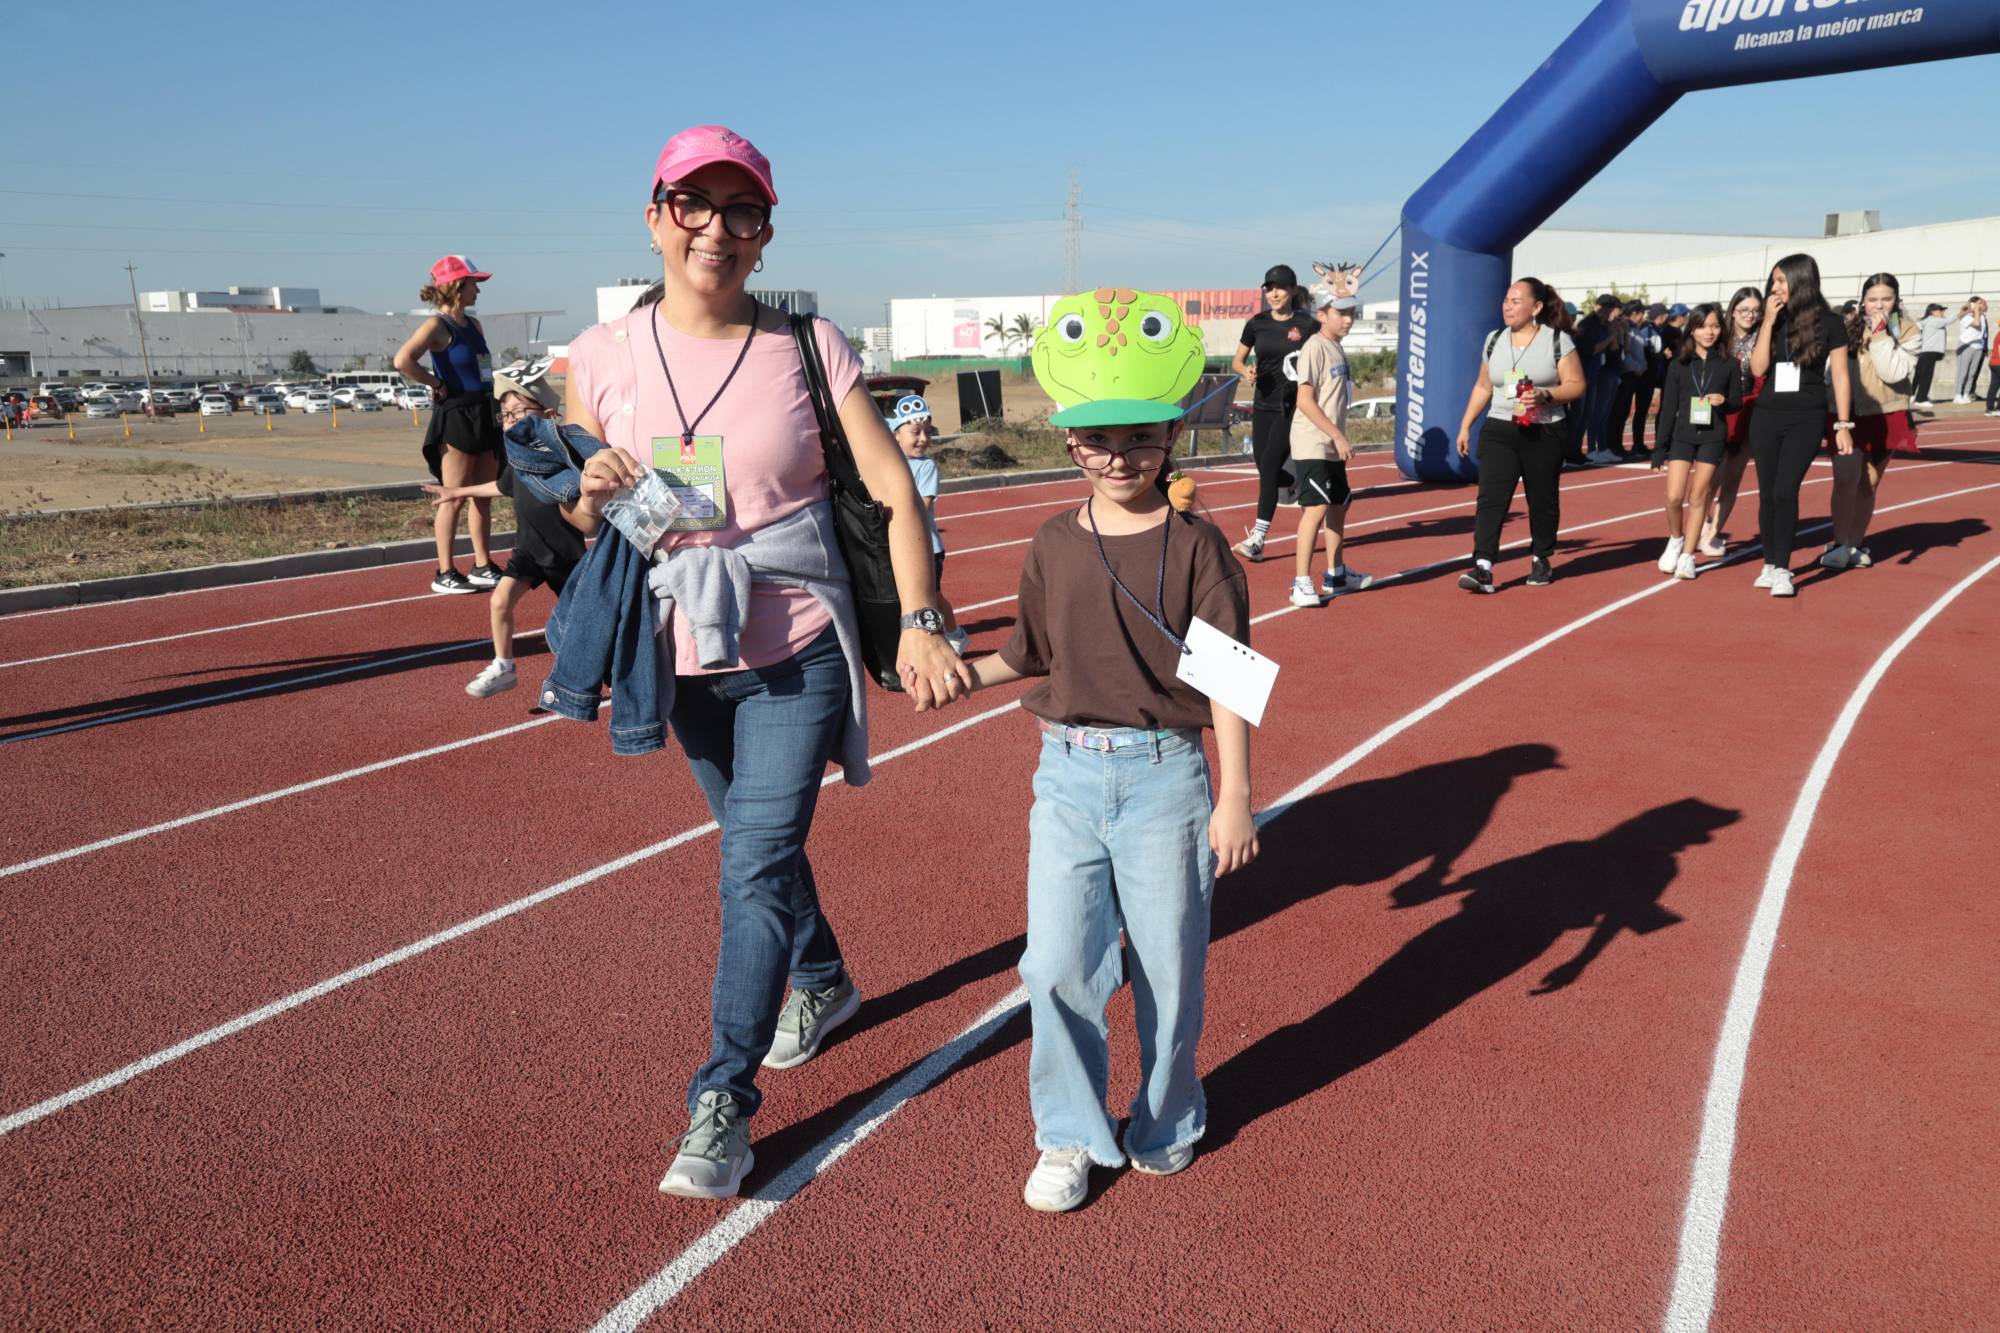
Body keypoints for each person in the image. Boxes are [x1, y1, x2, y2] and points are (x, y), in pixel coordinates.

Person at [564, 125, 970, 1201]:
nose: (716, 230)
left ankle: (721, 1104)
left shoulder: (806, 344)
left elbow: (890, 488)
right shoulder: (596, 359)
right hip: (679, 651)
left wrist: (924, 616)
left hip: (794, 643)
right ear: (653, 215)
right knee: (762, 851)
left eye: (742, 212)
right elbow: (570, 510)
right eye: (694, 204)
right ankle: (825, 978)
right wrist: (589, 493)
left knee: (748, 864)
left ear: (765, 232)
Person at [961, 290, 1257, 1211]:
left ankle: (1166, 1118)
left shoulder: (1202, 548)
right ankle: (1069, 1134)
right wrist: (953, 672)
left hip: (1167, 777)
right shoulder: (1053, 541)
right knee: (1055, 965)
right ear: (1069, 444)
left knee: (1169, 969)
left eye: (1138, 437)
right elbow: (1028, 652)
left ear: (1169, 437)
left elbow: (1231, 686)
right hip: (1068, 773)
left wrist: (1236, 796)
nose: (1118, 456)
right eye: (1098, 440)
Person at [421, 373, 590, 697]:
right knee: (500, 601)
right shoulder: (520, 459)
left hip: (567, 557)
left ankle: (608, 672)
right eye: (506, 415)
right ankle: (503, 666)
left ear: (549, 415)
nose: (510, 420)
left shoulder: (564, 455)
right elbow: (501, 487)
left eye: (518, 412)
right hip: (529, 551)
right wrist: (457, 490)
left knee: (579, 626)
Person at [1454, 278, 1585, 593]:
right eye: (1506, 300)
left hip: (1545, 429)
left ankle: (1541, 556)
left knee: (1542, 498)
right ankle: (1483, 565)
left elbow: (1577, 385)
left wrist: (1545, 394)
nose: (1507, 306)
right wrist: (1465, 424)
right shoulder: (1494, 339)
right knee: (1491, 498)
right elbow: (1484, 385)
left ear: (1536, 307)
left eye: (1515, 301)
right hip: (1500, 427)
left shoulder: (1558, 341)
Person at [397, 255, 504, 595]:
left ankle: (482, 565)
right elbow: (402, 360)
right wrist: (435, 383)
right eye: (474, 283)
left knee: (482, 496)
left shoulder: (474, 326)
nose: (478, 289)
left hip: (485, 411)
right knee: (452, 497)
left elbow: (484, 370)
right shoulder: (436, 326)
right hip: (456, 415)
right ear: (456, 286)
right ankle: (445, 571)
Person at [1748, 253, 1852, 598]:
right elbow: (1758, 369)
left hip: (1806, 416)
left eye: (1781, 280)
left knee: (1785, 490)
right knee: (1766, 494)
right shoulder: (1772, 320)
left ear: (1801, 281)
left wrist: (1843, 423)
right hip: (1766, 415)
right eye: (1773, 280)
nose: (1774, 287)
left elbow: (1839, 375)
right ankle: (1768, 562)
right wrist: (1765, 323)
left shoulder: (1831, 323)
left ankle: (1782, 567)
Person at [1822, 273, 1921, 569]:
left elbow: (1893, 373)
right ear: (1863, 301)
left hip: (1885, 415)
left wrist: (1880, 334)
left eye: (1886, 299)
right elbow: (1831, 371)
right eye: (1872, 299)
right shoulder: (1844, 328)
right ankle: (1839, 543)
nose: (1879, 305)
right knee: (1845, 479)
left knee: (1868, 484)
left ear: (1896, 300)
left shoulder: (1908, 331)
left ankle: (1855, 542)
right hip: (1846, 415)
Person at [1286, 289, 1371, 607]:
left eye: (1352, 313)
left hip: (1331, 444)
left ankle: (1336, 574)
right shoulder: (1315, 347)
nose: (1348, 319)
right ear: (1322, 315)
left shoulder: (1336, 348)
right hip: (1313, 442)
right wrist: (1337, 435)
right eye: (1341, 313)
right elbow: (1304, 400)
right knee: (1316, 509)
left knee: (1338, 505)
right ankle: (1300, 583)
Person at [1230, 265, 1318, 560]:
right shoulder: (1257, 324)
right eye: (1269, 288)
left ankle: (1257, 539)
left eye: (1280, 287)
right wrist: (1246, 371)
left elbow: (1324, 351)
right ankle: (1293, 481)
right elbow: (1237, 361)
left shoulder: (1307, 325)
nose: (1274, 293)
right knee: (1262, 466)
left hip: (1290, 407)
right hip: (1262, 405)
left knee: (1268, 468)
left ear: (1292, 290)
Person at [1649, 303, 1742, 580]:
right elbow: (1668, 409)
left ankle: (1688, 555)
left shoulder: (1730, 364)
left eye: (1714, 326)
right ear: (1692, 330)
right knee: (1674, 497)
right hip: (1682, 436)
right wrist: (1659, 450)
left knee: (1699, 496)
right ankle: (1676, 538)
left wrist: (1724, 403)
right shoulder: (1678, 364)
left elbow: (1736, 402)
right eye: (1702, 326)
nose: (1709, 332)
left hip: (1713, 437)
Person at [886, 393, 969, 652]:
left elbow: (922, 507)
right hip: (896, 543)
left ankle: (954, 634)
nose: (923, 439)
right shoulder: (888, 464)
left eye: (927, 432)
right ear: (896, 434)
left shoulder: (926, 467)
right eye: (915, 432)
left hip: (926, 546)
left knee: (931, 596)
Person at [1698, 286, 1765, 556]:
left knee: (1733, 478)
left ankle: (1713, 535)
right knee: (1709, 478)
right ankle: (1701, 525)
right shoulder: (1719, 337)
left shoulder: (1764, 336)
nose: (1750, 315)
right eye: (1744, 310)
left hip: (1752, 410)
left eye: (1755, 310)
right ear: (1733, 310)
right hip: (1719, 409)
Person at [1604, 300, 1653, 463]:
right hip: (1626, 374)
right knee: (1618, 411)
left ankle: (1617, 445)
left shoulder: (1634, 328)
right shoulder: (1626, 328)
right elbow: (1625, 353)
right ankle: (1613, 444)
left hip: (1633, 374)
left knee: (1624, 411)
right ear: (1635, 313)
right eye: (1641, 313)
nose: (1643, 317)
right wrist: (1638, 367)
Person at [1912, 302, 1948, 408]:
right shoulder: (1935, 321)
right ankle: (1920, 399)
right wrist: (1961, 313)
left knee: (1919, 374)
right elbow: (1949, 321)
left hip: (1922, 351)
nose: (1942, 312)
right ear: (1932, 312)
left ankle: (1914, 395)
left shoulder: (1925, 321)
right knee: (1926, 376)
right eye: (1940, 310)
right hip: (1929, 351)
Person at [1954, 297, 1989, 403]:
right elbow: (1977, 323)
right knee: (1963, 372)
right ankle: (1958, 394)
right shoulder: (1967, 317)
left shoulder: (1983, 316)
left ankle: (1966, 393)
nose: (1984, 305)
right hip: (1967, 345)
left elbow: (1984, 332)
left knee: (1972, 373)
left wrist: (1985, 347)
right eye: (1981, 303)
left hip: (1978, 346)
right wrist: (1975, 309)